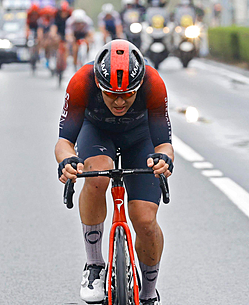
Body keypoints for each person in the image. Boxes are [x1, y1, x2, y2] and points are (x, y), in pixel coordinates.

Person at [55, 40, 173, 305]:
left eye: (128, 94)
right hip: (97, 132)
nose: (120, 101)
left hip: (139, 137)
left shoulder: (153, 83)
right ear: (98, 85)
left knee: (144, 220)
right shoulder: (81, 82)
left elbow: (164, 144)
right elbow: (64, 142)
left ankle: (149, 291)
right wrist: (67, 162)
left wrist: (164, 160)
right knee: (97, 176)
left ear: (139, 86)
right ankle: (94, 265)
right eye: (111, 94)